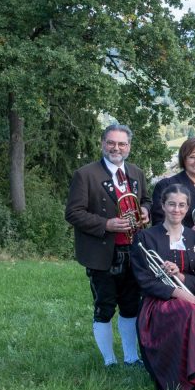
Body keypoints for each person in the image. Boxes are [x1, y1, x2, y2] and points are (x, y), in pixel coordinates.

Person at [130, 184, 195, 390]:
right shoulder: (145, 237)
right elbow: (144, 282)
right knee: (190, 311)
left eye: (182, 205)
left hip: (194, 300)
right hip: (159, 305)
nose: (176, 209)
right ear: (162, 206)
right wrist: (179, 293)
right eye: (171, 204)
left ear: (187, 207)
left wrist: (182, 277)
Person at [65, 124, 150, 368]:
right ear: (103, 144)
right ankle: (109, 359)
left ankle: (131, 356)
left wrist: (145, 211)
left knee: (131, 305)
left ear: (129, 147)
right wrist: (106, 224)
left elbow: (147, 200)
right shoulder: (86, 174)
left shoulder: (136, 172)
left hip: (133, 250)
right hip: (103, 252)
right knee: (104, 306)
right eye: (111, 142)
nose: (116, 148)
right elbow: (73, 213)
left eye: (122, 144)